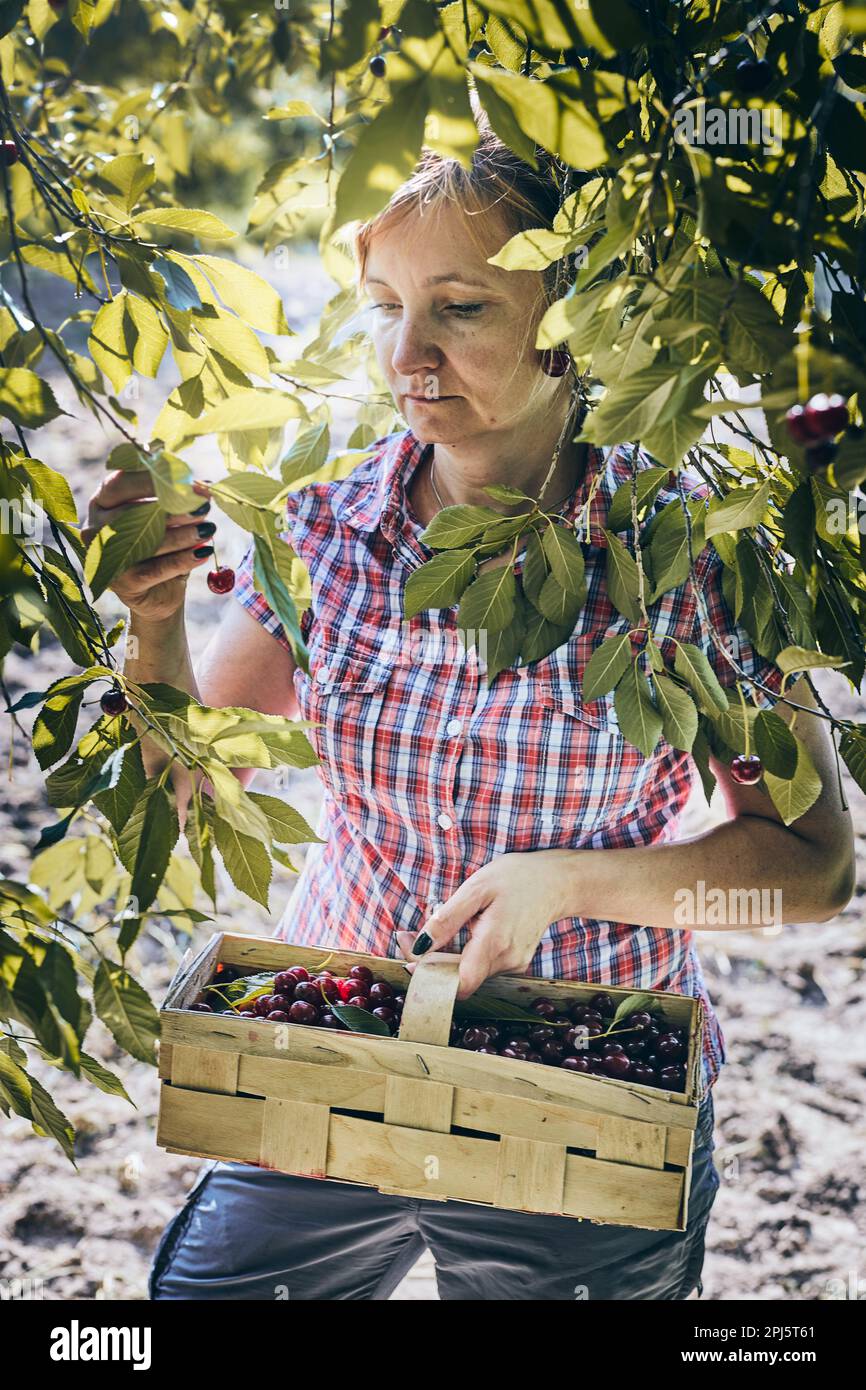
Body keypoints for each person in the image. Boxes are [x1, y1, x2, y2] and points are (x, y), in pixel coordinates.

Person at [86, 119, 854, 1300]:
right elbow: (194, 793)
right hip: (340, 1034)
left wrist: (567, 881)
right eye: (387, 306)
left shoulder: (687, 560)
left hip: (583, 1076)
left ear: (573, 323)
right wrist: (151, 628)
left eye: (461, 307)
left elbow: (809, 870)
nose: (408, 352)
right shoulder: (330, 533)